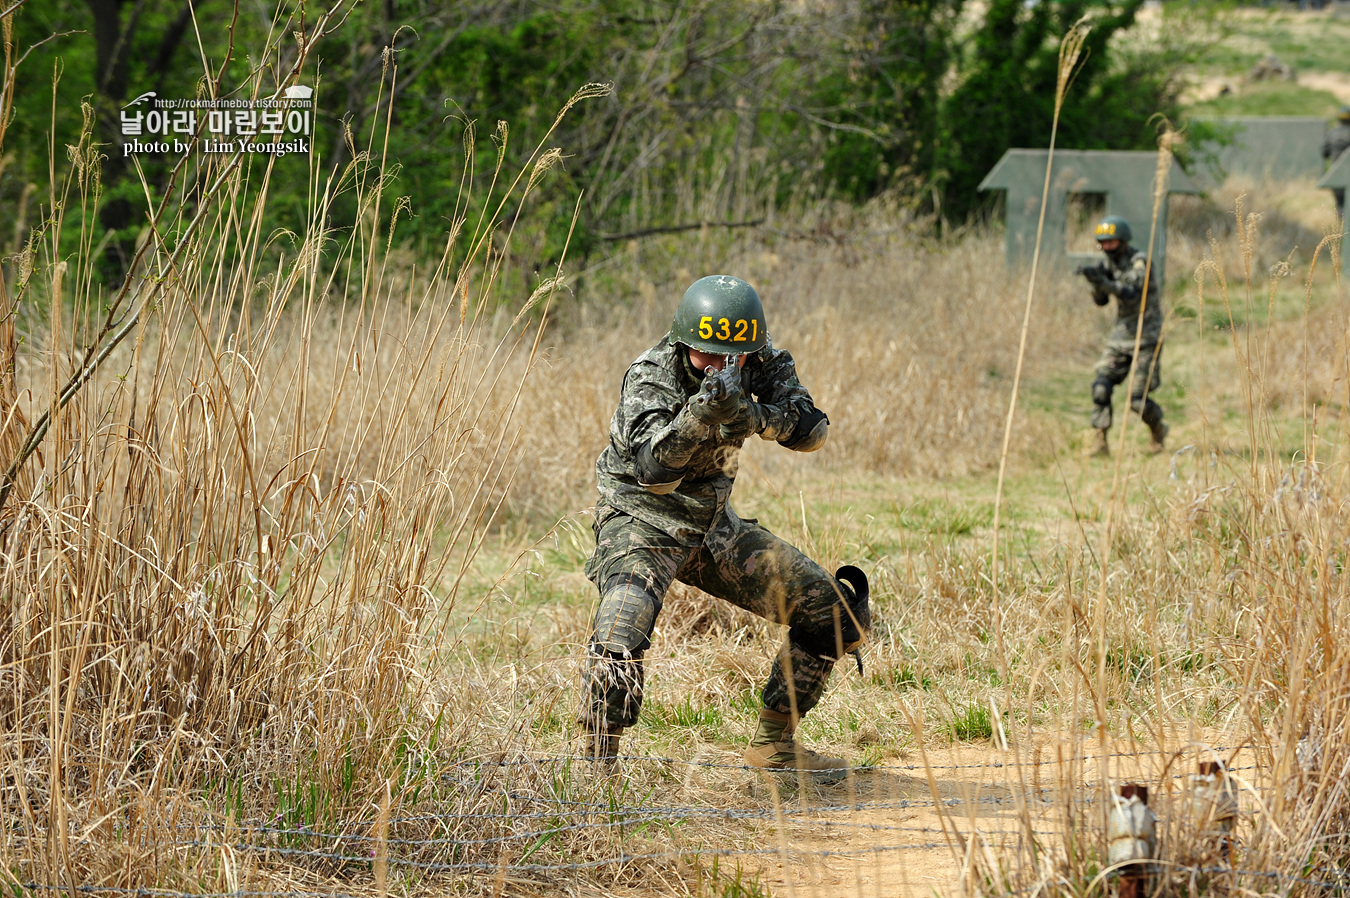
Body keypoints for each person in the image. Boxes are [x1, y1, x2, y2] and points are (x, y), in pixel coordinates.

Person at [579, 274, 870, 779]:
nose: (718, 366)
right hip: (641, 523)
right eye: (705, 356)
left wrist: (755, 416)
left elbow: (813, 431)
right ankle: (595, 776)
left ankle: (773, 747)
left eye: (729, 357)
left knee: (837, 612)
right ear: (684, 343)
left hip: (715, 528)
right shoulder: (651, 375)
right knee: (620, 630)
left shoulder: (763, 363)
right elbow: (653, 474)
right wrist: (700, 416)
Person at [1078, 216, 1168, 457]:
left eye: (1112, 242)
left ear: (1123, 241)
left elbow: (1130, 293)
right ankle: (1099, 440)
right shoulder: (1108, 266)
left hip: (1146, 337)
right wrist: (1096, 283)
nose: (1107, 247)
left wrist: (1104, 282)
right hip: (1120, 337)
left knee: (1138, 401)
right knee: (1101, 388)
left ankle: (1158, 430)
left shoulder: (1139, 262)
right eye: (1103, 243)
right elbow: (1101, 301)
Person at [1324, 106, 1350, 219]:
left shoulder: (1332, 133)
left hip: (1337, 175)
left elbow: (1325, 153)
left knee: (1340, 205)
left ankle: (1344, 233)